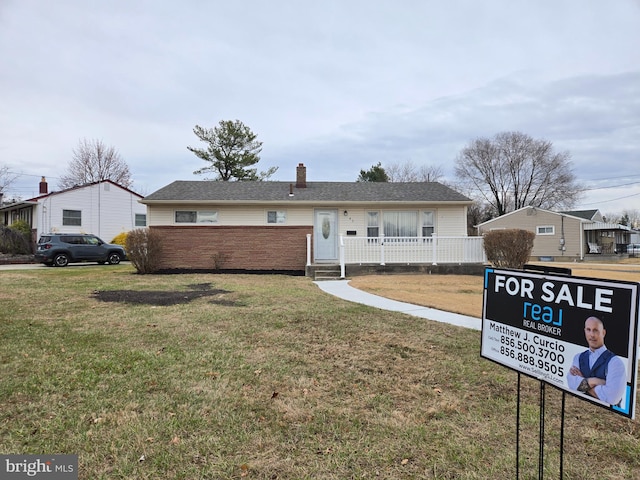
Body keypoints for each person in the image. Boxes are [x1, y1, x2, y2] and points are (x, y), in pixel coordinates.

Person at [567, 316, 626, 406]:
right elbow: (571, 384)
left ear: (603, 333)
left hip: (606, 416)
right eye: (588, 329)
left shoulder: (615, 362)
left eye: (595, 330)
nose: (592, 335)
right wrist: (595, 381)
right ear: (584, 331)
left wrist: (584, 381)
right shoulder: (578, 357)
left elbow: (612, 399)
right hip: (582, 409)